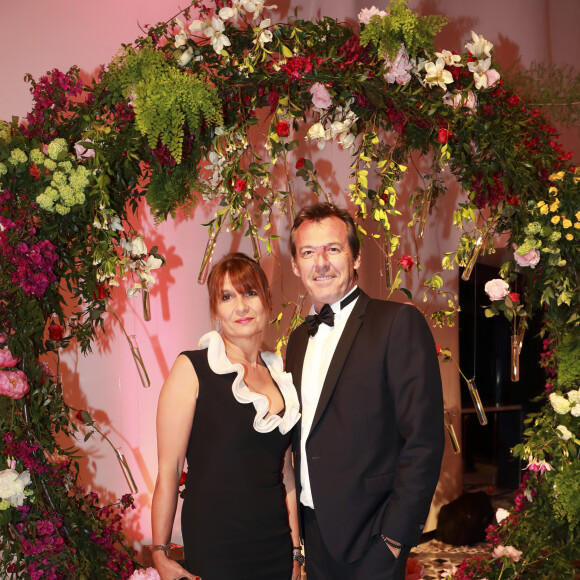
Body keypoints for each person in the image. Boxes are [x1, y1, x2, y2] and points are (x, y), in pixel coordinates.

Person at [286, 202, 445, 580]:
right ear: (295, 265)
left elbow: (422, 441)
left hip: (373, 537)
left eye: (333, 249)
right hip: (314, 533)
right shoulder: (295, 340)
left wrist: (394, 538)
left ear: (355, 257)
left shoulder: (396, 323)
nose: (320, 262)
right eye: (308, 252)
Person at [151, 253, 303, 580]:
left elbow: (287, 473)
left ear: (267, 301)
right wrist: (160, 552)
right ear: (215, 311)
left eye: (250, 293)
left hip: (275, 545)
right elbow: (169, 469)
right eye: (227, 297)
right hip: (216, 545)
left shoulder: (282, 377)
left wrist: (295, 550)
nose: (241, 306)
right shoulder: (191, 368)